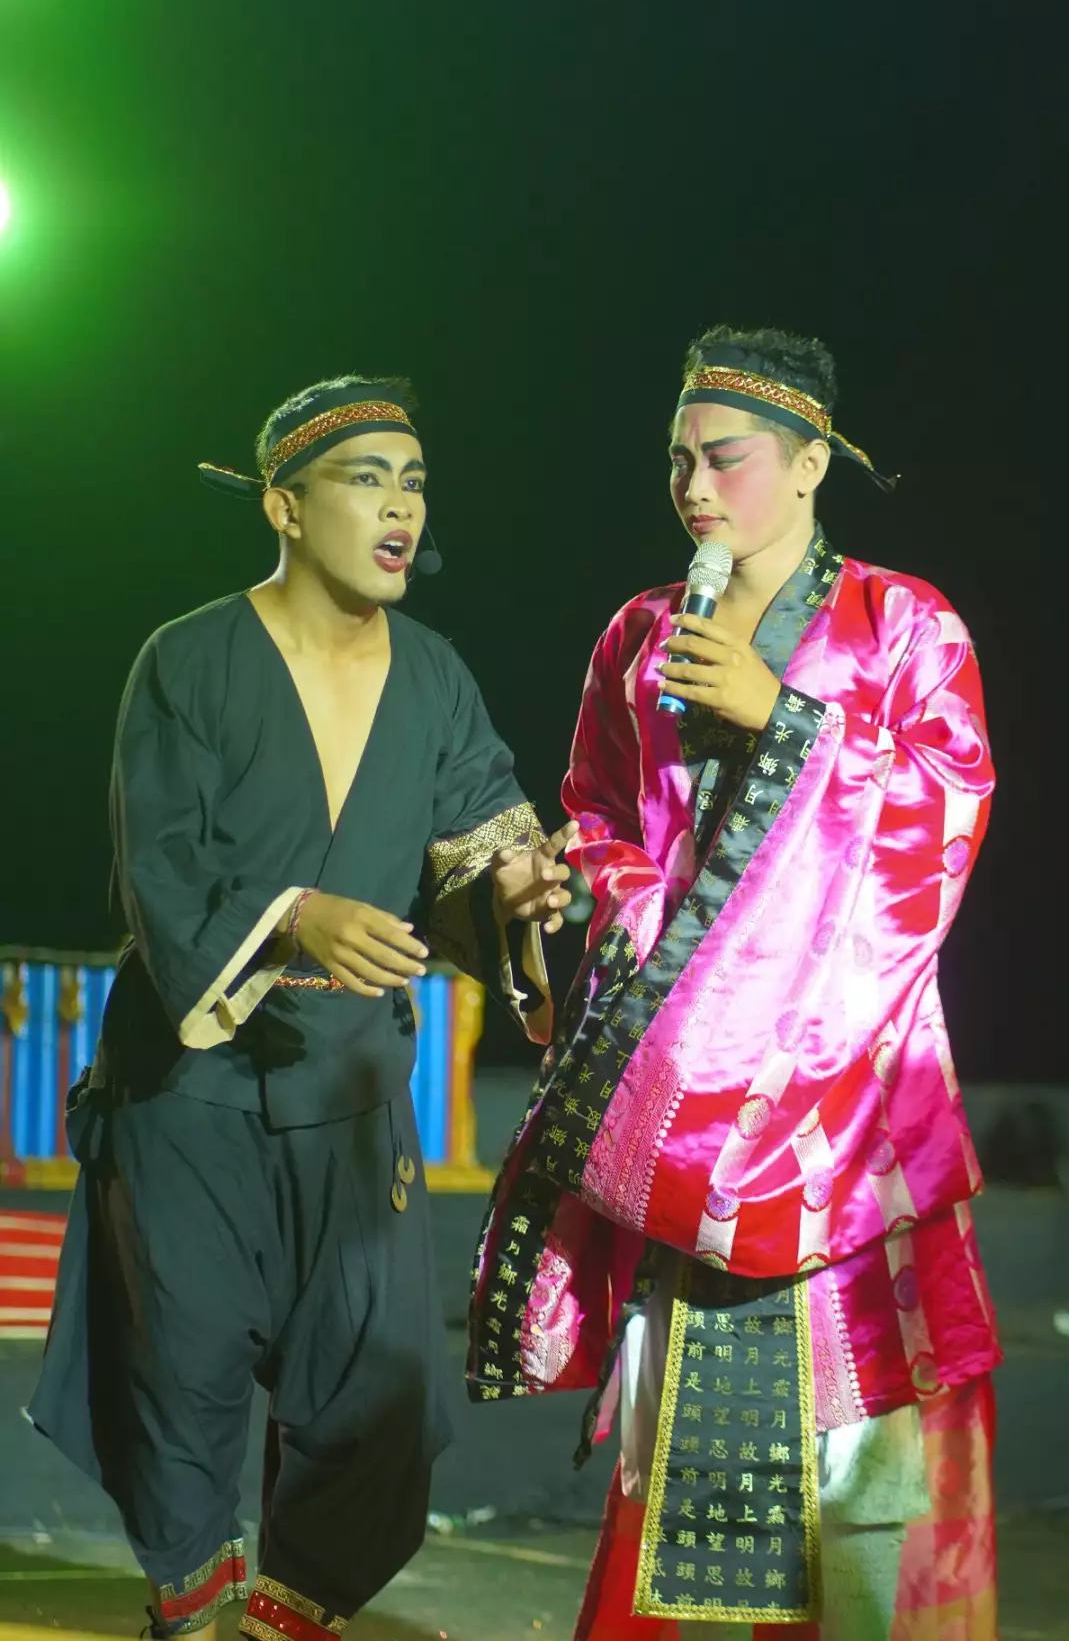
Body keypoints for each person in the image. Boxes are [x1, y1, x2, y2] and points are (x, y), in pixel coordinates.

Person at [468, 329, 1000, 1639]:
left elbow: (942, 817)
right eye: (676, 461)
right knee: (689, 1456)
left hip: (844, 1110)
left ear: (811, 462)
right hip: (686, 1102)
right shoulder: (639, 634)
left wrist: (791, 723)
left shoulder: (902, 625)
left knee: (856, 1459)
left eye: (725, 457)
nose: (693, 486)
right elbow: (599, 814)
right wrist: (612, 899)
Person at [31, 375, 575, 1641]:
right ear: (284, 505)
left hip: (351, 1087)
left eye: (414, 482)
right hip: (192, 1092)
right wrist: (292, 917)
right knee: (182, 1378)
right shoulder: (187, 661)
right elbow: (161, 871)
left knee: (372, 1397)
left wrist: (515, 889)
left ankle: (287, 1620)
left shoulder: (433, 676)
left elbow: (481, 840)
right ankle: (191, 1616)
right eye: (365, 479)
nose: (399, 507)